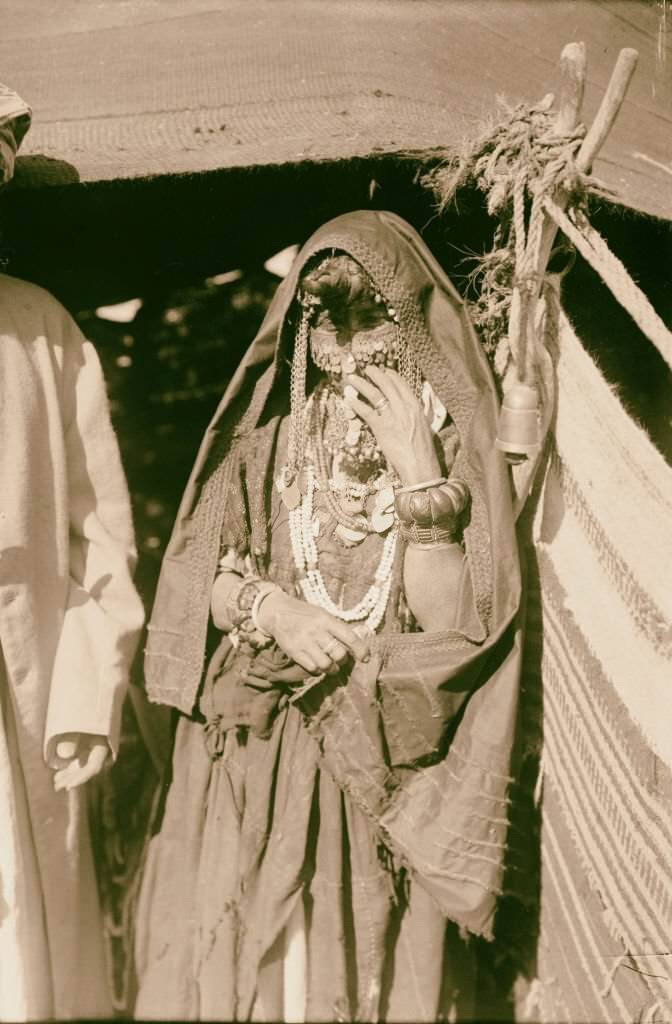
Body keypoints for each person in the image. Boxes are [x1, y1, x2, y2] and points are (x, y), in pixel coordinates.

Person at [135, 210, 523, 1022]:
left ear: (414, 324)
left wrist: (420, 472)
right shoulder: (269, 440)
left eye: (370, 320)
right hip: (262, 763)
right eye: (328, 326)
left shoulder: (457, 453)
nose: (348, 349)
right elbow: (194, 578)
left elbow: (459, 627)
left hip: (383, 766)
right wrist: (270, 608)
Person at [0, 86, 145, 1020]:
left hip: (22, 686)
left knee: (23, 939)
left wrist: (90, 695)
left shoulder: (40, 329)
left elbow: (100, 532)